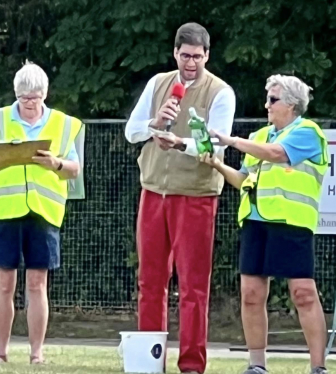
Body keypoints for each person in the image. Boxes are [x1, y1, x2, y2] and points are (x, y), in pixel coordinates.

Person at [125, 23, 236, 374]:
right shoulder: (158, 83)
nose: (191, 63)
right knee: (150, 282)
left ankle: (191, 364)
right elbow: (131, 131)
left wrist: (180, 143)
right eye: (185, 56)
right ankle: (148, 362)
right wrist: (155, 124)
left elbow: (216, 146)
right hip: (154, 190)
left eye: (197, 57)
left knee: (193, 285)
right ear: (175, 53)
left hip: (196, 195)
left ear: (207, 55)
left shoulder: (221, 92)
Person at [200, 74, 329, 374]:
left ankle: (318, 367)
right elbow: (243, 179)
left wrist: (231, 141)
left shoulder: (307, 131)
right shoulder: (259, 136)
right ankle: (256, 365)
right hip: (255, 222)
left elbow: (277, 154)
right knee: (251, 294)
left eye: (273, 99)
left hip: (292, 223)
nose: (266, 105)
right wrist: (217, 165)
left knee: (303, 293)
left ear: (292, 105)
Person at [0, 61, 82, 364]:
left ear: (45, 94)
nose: (29, 104)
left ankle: (37, 354)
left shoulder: (62, 124)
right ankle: (1, 352)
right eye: (24, 98)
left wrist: (56, 164)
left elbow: (74, 169)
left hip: (44, 212)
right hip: (5, 211)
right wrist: (4, 155)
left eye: (35, 98)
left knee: (37, 284)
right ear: (15, 95)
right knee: (4, 284)